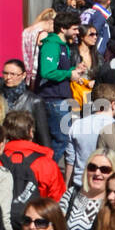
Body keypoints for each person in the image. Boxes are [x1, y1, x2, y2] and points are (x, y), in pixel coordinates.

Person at [37, 10, 87, 166]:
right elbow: (47, 71)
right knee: (61, 139)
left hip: (61, 99)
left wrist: (74, 70)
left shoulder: (63, 46)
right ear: (63, 29)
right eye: (74, 28)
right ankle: (46, 171)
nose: (77, 32)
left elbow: (60, 69)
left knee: (62, 139)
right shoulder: (51, 45)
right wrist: (69, 74)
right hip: (54, 100)